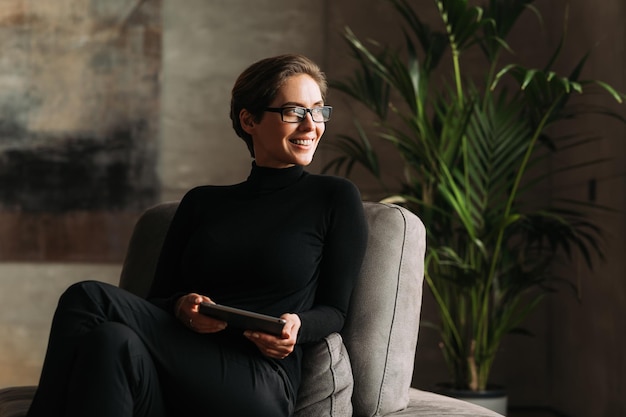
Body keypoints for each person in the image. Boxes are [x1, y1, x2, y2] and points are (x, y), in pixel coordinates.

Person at [26, 54, 368, 417]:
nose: (311, 125)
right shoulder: (202, 202)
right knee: (110, 341)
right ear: (249, 120)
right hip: (176, 366)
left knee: (86, 297)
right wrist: (181, 307)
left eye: (318, 111)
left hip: (257, 383)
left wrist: (298, 327)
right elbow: (156, 300)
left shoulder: (334, 197)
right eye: (294, 112)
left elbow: (335, 310)